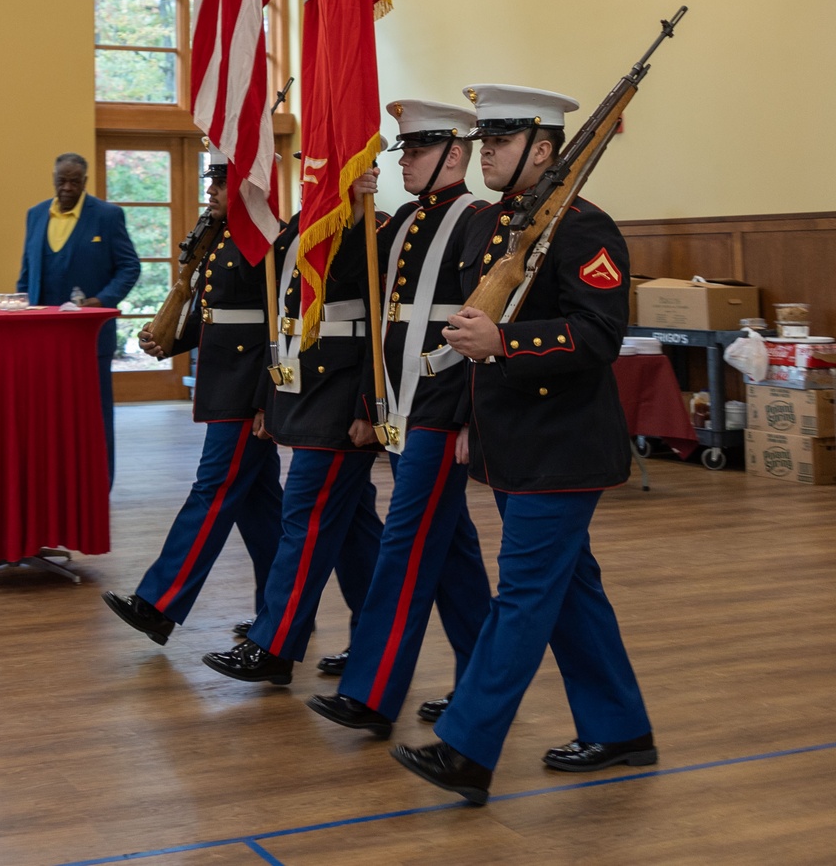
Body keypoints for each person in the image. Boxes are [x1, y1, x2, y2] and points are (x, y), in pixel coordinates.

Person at [391, 84, 656, 808]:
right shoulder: (494, 227)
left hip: (563, 445)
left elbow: (600, 335)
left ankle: (468, 747)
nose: (484, 154)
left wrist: (506, 342)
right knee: (572, 591)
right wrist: (472, 422)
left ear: (543, 150)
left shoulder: (581, 227)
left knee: (526, 595)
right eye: (482, 142)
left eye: (499, 143)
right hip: (514, 442)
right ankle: (621, 727)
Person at [307, 101, 491, 739]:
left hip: (442, 410)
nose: (402, 163)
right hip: (399, 409)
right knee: (454, 557)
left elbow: (483, 332)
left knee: (405, 543)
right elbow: (367, 313)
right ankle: (477, 683)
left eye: (415, 152)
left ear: (454, 156)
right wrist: (352, 206)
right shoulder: (402, 221)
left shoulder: (479, 221)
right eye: (403, 152)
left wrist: (473, 416)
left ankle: (373, 690)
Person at [202, 192, 385, 686]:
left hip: (344, 403)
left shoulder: (375, 229)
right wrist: (268, 397)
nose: (312, 177)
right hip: (304, 394)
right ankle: (372, 644)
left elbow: (382, 329)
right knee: (355, 528)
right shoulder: (302, 226)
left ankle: (274, 645)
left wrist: (371, 406)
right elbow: (282, 323)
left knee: (302, 518)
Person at [102, 145, 282, 645]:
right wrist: (170, 339)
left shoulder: (268, 240)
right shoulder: (221, 235)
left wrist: (271, 397)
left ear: (247, 186)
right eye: (212, 182)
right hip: (224, 378)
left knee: (214, 490)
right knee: (261, 509)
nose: (210, 190)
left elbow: (277, 328)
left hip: (248, 387)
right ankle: (280, 618)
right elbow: (214, 310)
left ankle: (160, 602)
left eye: (221, 183)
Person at [17, 152, 140, 487]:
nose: (67, 187)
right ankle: (52, 481)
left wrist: (101, 302)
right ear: (53, 178)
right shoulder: (36, 215)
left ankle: (100, 483)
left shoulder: (107, 216)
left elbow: (130, 267)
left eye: (74, 181)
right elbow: (26, 276)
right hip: (43, 337)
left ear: (85, 181)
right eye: (61, 181)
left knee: (95, 414)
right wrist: (22, 313)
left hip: (90, 336)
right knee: (46, 414)